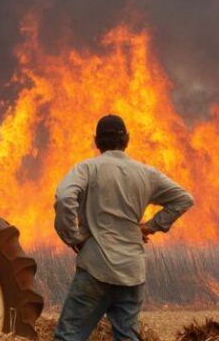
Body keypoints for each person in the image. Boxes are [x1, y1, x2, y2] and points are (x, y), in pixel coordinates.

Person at [53, 114, 195, 341]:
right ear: (127, 139)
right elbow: (184, 199)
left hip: (95, 268)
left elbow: (64, 198)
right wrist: (150, 227)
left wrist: (74, 237)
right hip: (132, 272)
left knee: (68, 336)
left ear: (96, 141)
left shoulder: (88, 168)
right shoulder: (146, 173)